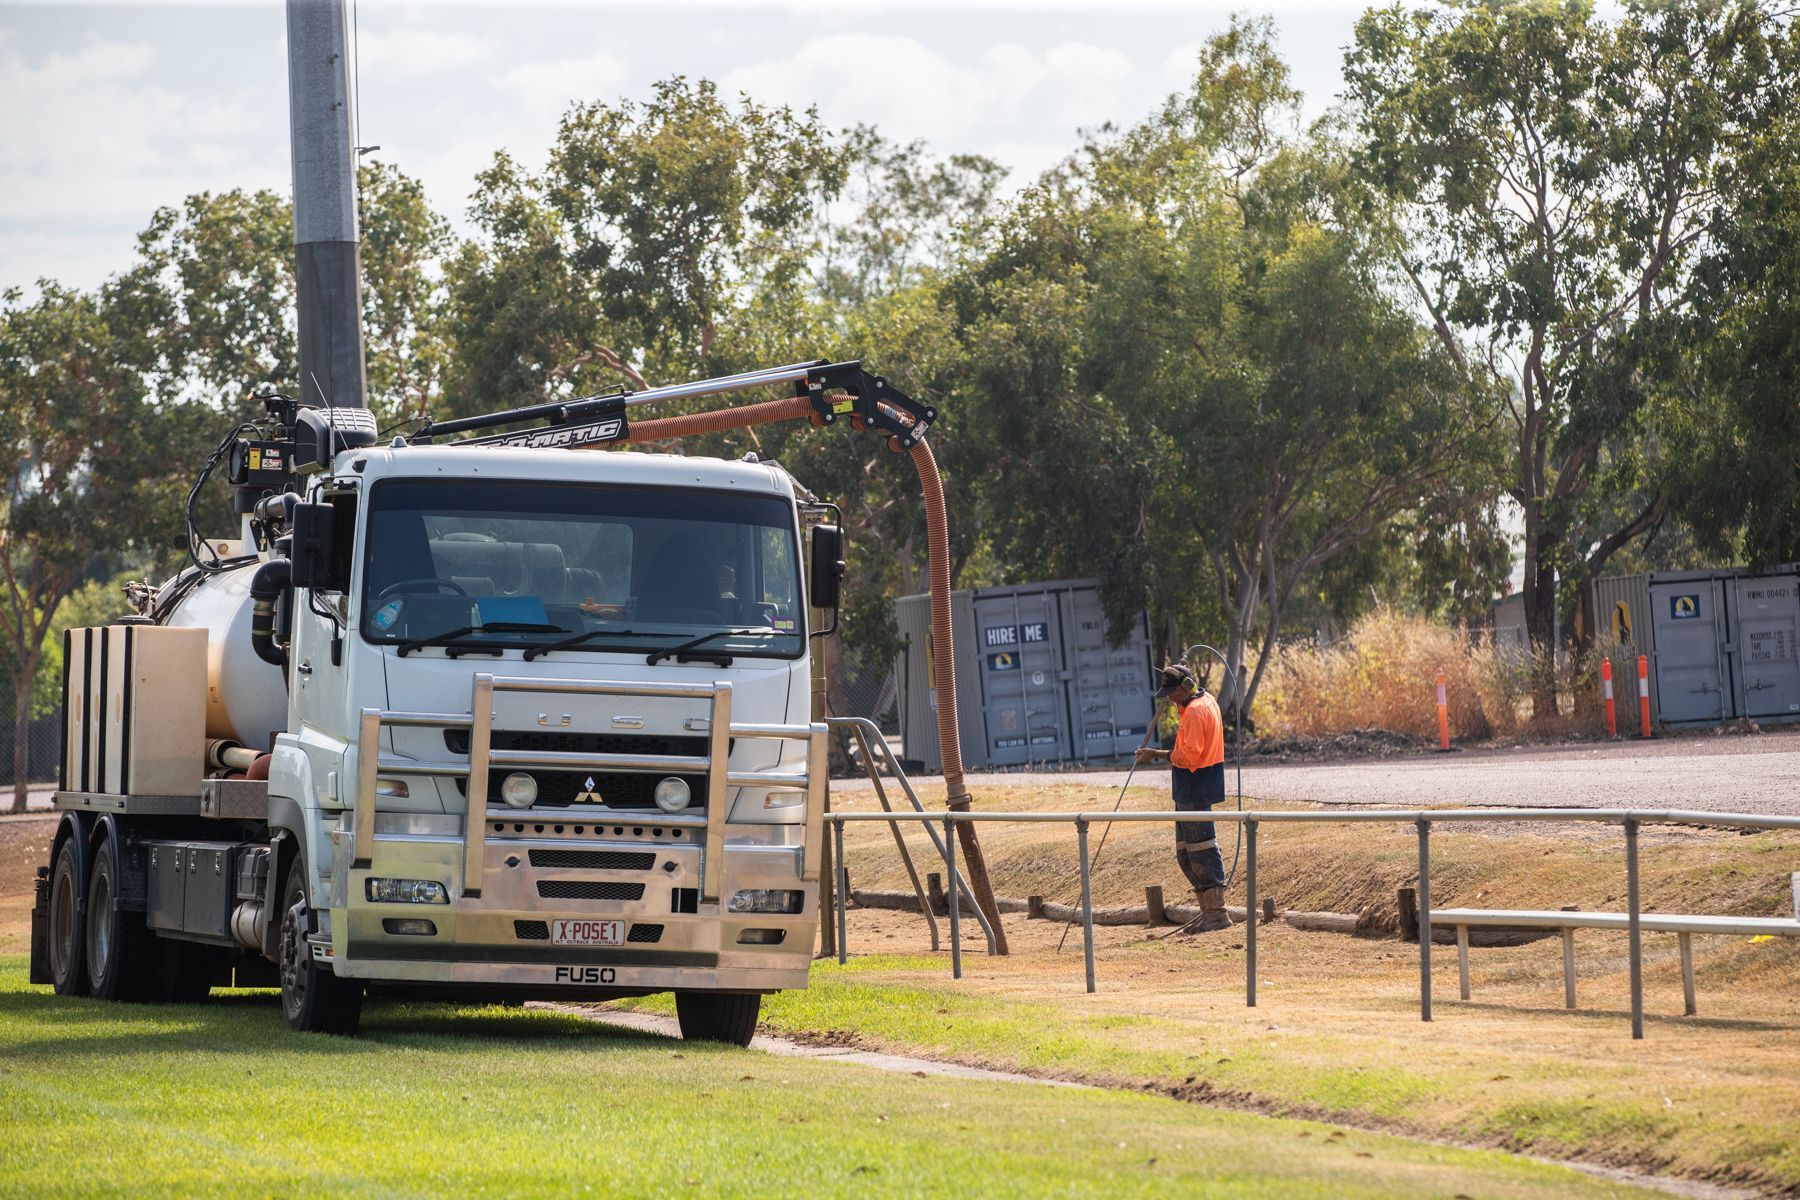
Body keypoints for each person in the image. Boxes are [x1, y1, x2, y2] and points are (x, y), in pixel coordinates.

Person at [1136, 662, 1230, 933]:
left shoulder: (1196, 712)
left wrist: (1154, 754)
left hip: (1195, 786)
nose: (1168, 697)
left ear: (1186, 687)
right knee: (1185, 854)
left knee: (1201, 851)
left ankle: (1216, 914)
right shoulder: (1202, 701)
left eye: (1171, 692)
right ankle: (1208, 911)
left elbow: (1188, 757)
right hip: (1193, 786)